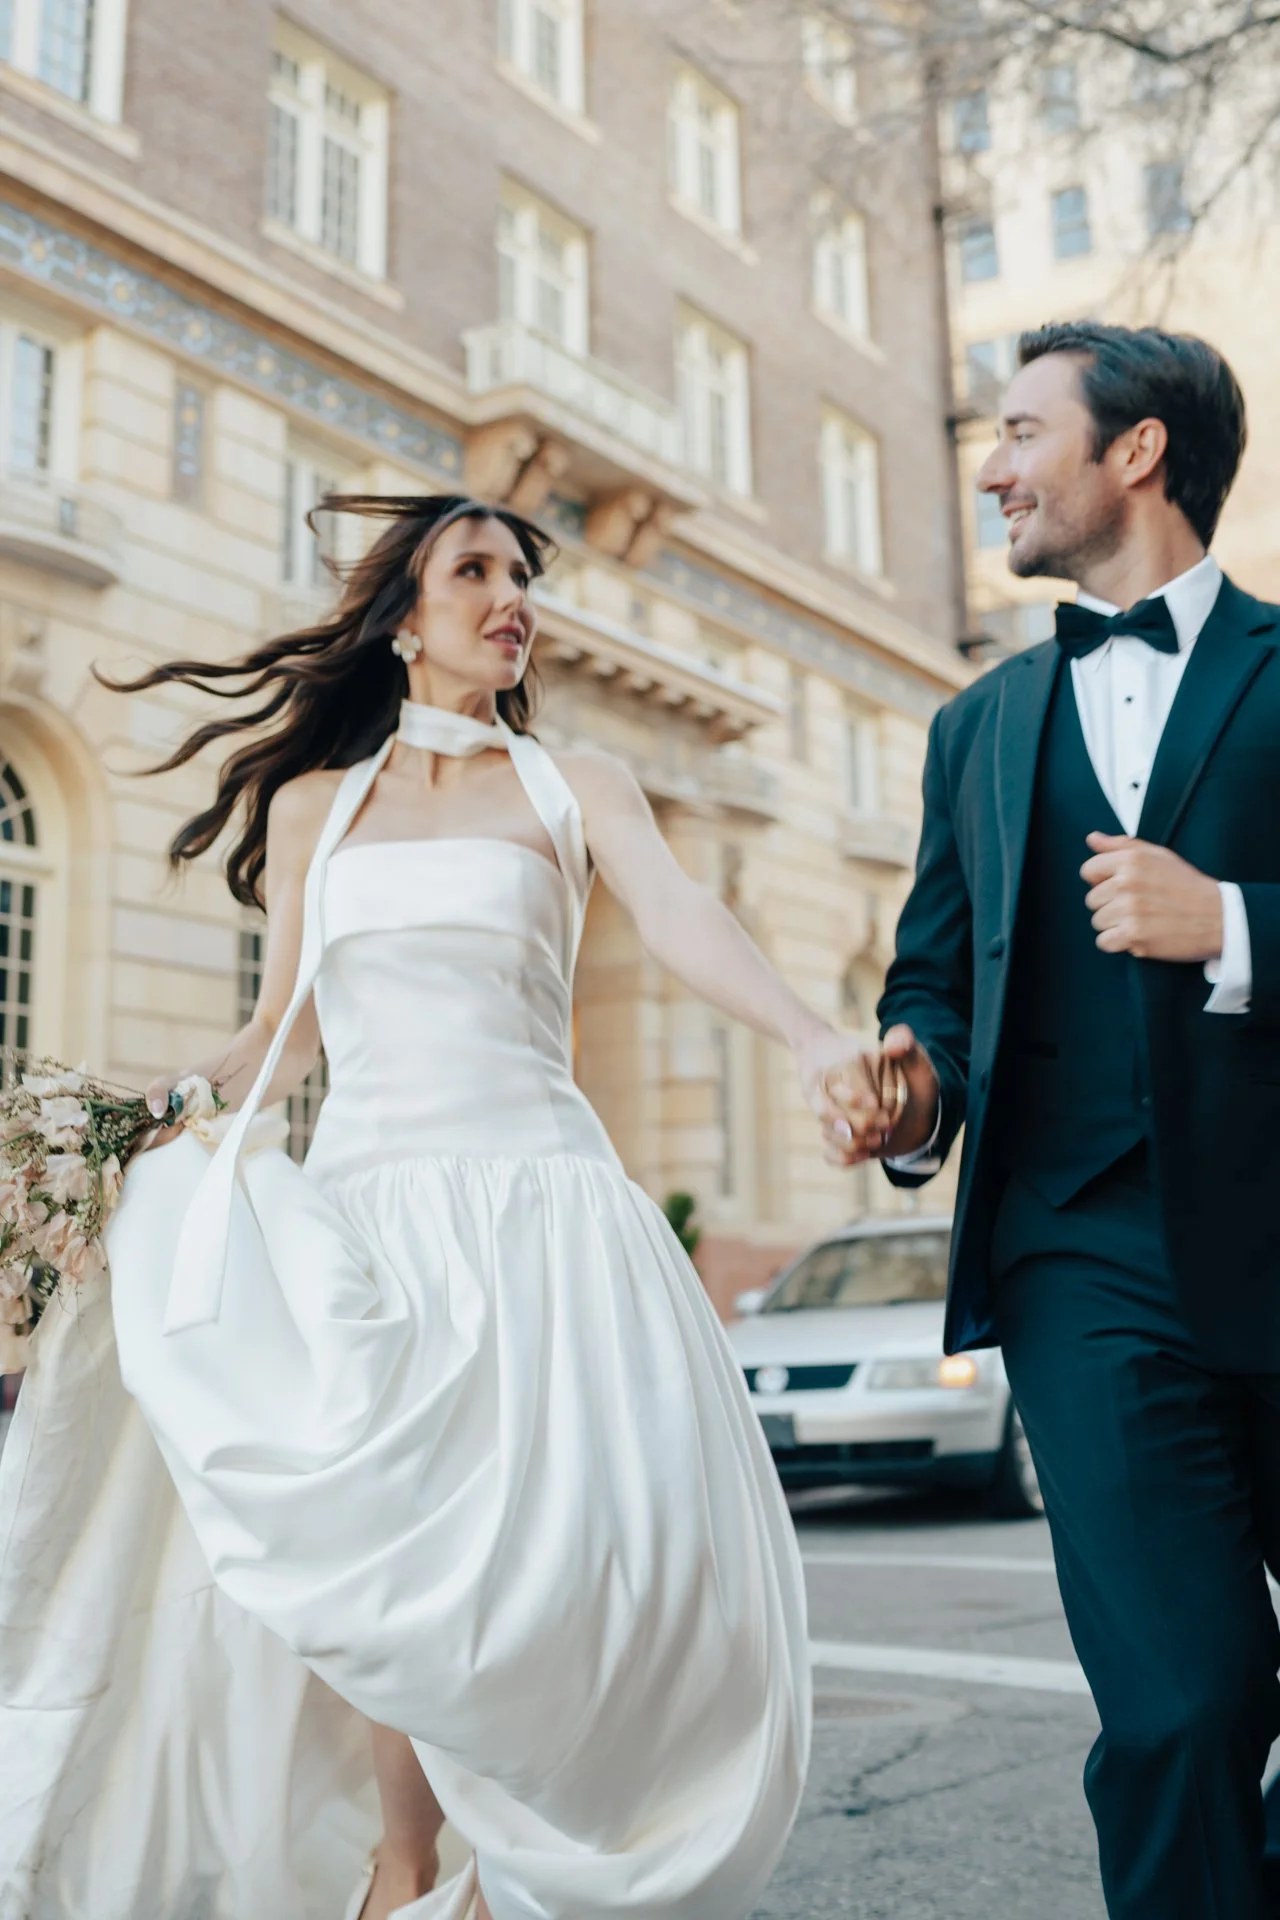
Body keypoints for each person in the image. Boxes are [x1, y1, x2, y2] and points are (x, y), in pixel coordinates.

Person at [0, 492, 870, 1920]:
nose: (510, 594)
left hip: (548, 1214)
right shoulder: (311, 807)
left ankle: (540, 1844)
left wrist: (808, 1035)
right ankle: (406, 1866)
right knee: (392, 1546)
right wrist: (138, 1122)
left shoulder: (571, 782)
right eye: (475, 570)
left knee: (584, 1555)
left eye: (523, 575)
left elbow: (683, 916)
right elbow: (285, 1035)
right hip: (370, 1218)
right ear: (404, 616)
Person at [826, 323, 1280, 1919]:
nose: (995, 470)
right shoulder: (980, 728)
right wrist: (908, 1080)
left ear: (1135, 450)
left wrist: (1234, 923)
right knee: (1182, 1707)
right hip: (1081, 1260)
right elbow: (934, 980)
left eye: (1020, 433)